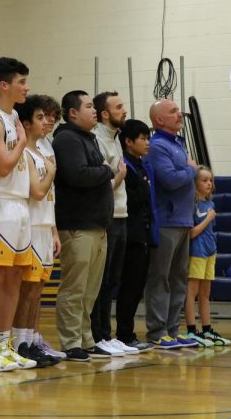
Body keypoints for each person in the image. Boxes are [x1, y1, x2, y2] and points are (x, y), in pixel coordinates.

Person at [0, 57, 37, 371]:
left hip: (20, 205)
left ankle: (4, 342)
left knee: (15, 278)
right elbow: (1, 165)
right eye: (21, 82)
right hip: (0, 203)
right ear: (4, 85)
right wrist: (23, 142)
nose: (26, 88)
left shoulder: (13, 114)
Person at [51, 91, 114, 362]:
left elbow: (92, 170)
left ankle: (86, 339)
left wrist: (101, 168)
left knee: (90, 291)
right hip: (77, 225)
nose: (94, 110)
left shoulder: (88, 138)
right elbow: (78, 174)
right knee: (74, 288)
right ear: (72, 112)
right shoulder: (66, 139)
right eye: (88, 106)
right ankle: (70, 341)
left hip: (97, 226)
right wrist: (107, 170)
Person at [144, 99, 199, 350]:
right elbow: (170, 179)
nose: (180, 114)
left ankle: (173, 329)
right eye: (173, 111)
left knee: (178, 278)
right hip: (166, 221)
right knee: (161, 277)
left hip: (183, 220)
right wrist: (193, 170)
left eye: (178, 110)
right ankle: (157, 331)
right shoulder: (157, 146)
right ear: (159, 120)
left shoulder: (178, 144)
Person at [13, 94, 61, 367]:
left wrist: (54, 231)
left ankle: (32, 339)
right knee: (28, 289)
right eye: (40, 117)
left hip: (45, 226)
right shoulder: (27, 154)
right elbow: (39, 191)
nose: (47, 122)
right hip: (29, 225)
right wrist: (52, 172)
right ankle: (20, 342)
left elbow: (50, 197)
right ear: (27, 123)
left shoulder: (44, 152)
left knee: (39, 288)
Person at [90, 91, 138, 356]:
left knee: (112, 280)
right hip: (106, 217)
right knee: (101, 280)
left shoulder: (116, 138)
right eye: (119, 107)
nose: (124, 111)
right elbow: (104, 183)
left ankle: (106, 334)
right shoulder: (97, 139)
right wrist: (119, 176)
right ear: (105, 113)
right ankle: (97, 334)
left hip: (122, 215)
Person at [114, 119, 156, 352]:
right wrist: (144, 188)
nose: (147, 142)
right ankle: (124, 334)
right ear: (128, 142)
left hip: (144, 233)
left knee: (137, 287)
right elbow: (129, 201)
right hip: (130, 234)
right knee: (129, 286)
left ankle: (128, 333)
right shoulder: (125, 167)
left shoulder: (141, 165)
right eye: (143, 138)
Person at [183, 167, 231, 347]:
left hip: (211, 252)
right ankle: (191, 329)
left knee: (205, 294)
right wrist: (209, 218)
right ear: (195, 183)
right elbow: (192, 233)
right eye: (204, 180)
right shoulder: (192, 204)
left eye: (210, 180)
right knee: (192, 292)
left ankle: (207, 329)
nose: (209, 183)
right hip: (197, 252)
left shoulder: (211, 204)